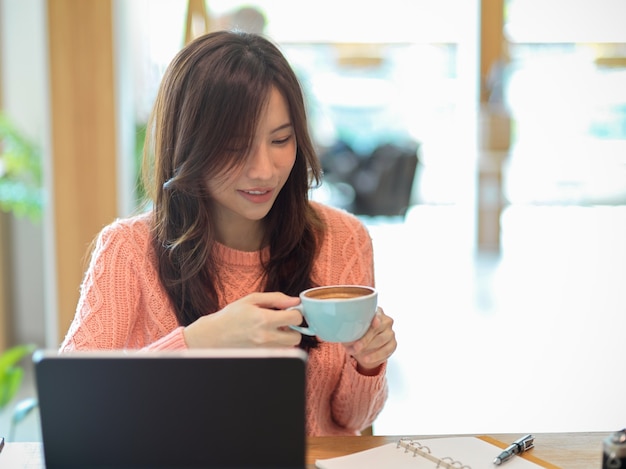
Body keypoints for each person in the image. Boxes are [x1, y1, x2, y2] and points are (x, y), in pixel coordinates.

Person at [60, 30, 397, 436]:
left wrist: (368, 363)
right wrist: (198, 342)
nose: (264, 170)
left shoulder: (343, 239)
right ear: (189, 146)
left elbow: (351, 422)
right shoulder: (128, 250)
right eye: (235, 146)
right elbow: (73, 409)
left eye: (280, 140)